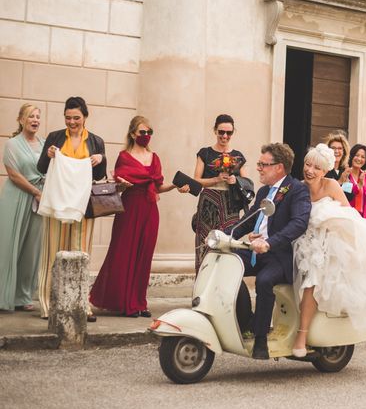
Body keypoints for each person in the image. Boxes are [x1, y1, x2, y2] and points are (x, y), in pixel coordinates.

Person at [292, 144, 366, 357]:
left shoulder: (332, 185)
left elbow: (348, 215)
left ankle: (302, 335)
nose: (310, 170)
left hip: (330, 243)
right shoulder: (298, 187)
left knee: (313, 281)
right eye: (307, 164)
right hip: (303, 241)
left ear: (324, 171)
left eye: (316, 167)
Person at [90, 116, 190, 318]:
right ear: (133, 133)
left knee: (144, 256)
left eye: (149, 132)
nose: (146, 136)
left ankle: (139, 303)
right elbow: (119, 184)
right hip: (129, 208)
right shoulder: (124, 156)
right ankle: (124, 303)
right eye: (142, 132)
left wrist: (175, 185)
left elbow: (158, 186)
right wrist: (122, 184)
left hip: (150, 209)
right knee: (123, 253)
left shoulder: (155, 157)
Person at [230, 143, 311, 359]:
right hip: (257, 251)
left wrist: (270, 243)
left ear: (279, 168)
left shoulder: (297, 189)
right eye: (259, 164)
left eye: (263, 165)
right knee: (227, 263)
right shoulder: (265, 191)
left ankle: (260, 338)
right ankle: (246, 319)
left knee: (264, 281)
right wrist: (225, 234)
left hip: (280, 256)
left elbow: (299, 223)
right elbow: (250, 221)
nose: (259, 168)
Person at [37, 96, 106, 321]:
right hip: (57, 203)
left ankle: (81, 303)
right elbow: (41, 168)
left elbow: (99, 175)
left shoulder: (96, 141)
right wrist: (48, 156)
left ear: (85, 117)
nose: (72, 122)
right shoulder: (55, 137)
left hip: (83, 206)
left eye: (76, 118)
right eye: (68, 118)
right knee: (52, 255)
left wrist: (100, 159)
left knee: (81, 254)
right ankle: (47, 304)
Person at [0, 104, 45, 312]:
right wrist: (35, 192)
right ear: (20, 119)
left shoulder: (45, 144)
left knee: (31, 250)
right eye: (30, 117)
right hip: (17, 197)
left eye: (37, 117)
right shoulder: (12, 144)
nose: (34, 120)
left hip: (38, 201)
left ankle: (23, 295)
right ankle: (3, 294)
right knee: (10, 246)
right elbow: (14, 174)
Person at [193, 114, 250, 273]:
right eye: (221, 132)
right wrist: (216, 179)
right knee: (206, 242)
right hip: (208, 203)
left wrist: (235, 180)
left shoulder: (238, 155)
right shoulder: (205, 153)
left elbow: (247, 182)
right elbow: (197, 179)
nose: (225, 136)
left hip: (230, 204)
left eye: (229, 133)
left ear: (233, 133)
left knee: (228, 243)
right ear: (215, 131)